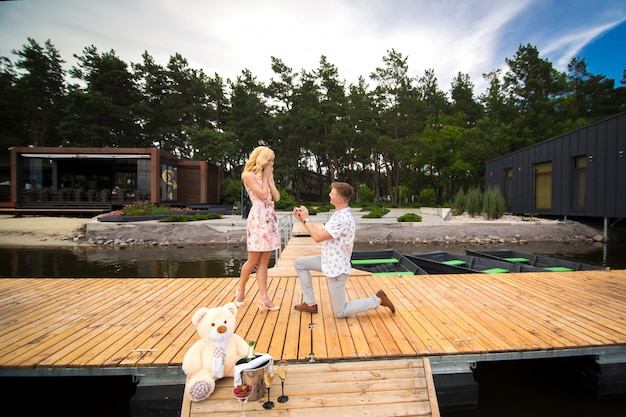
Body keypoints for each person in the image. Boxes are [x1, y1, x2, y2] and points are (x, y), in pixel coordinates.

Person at [292, 181, 395, 318]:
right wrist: (302, 220)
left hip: (337, 268)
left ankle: (378, 300)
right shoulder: (338, 214)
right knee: (300, 263)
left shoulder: (343, 219)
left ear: (338, 199)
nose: (329, 194)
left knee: (340, 312)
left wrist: (306, 219)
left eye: (332, 193)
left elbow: (317, 237)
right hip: (328, 260)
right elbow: (321, 233)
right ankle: (310, 303)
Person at [234, 146, 281, 312]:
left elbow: (276, 197)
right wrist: (265, 177)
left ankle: (264, 297)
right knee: (253, 259)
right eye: (269, 159)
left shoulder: (268, 176)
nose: (271, 163)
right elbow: (261, 195)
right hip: (258, 218)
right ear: (261, 158)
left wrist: (269, 178)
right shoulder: (248, 175)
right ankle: (241, 290)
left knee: (265, 261)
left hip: (269, 218)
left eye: (272, 160)